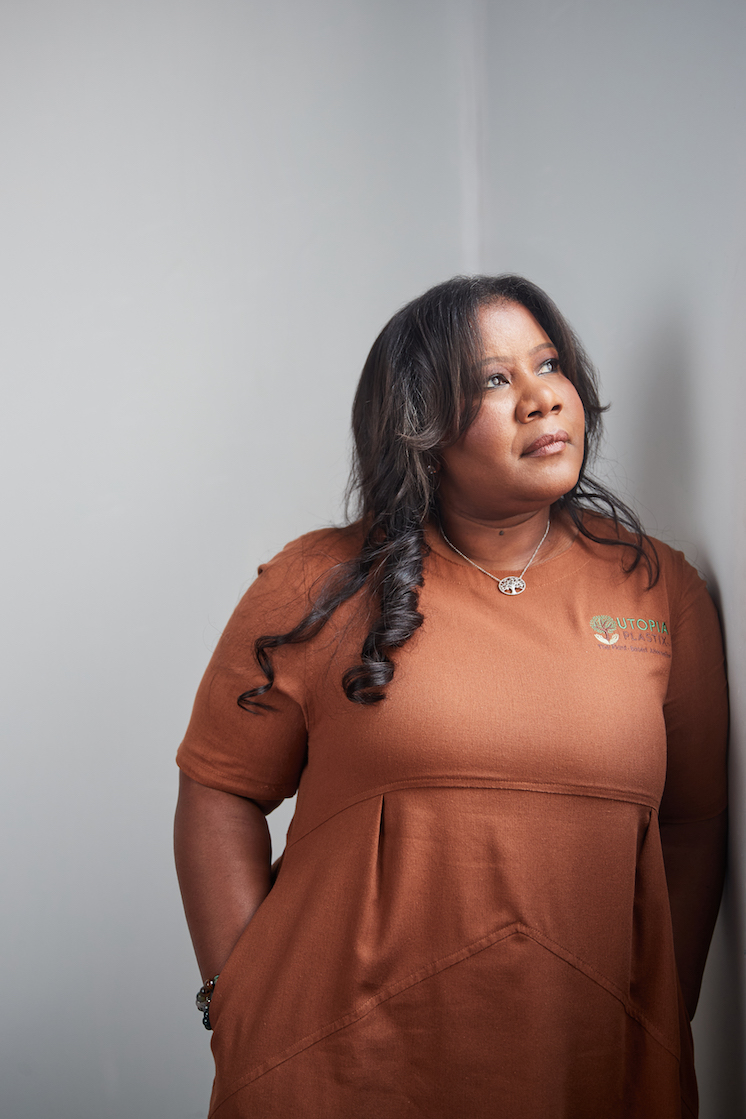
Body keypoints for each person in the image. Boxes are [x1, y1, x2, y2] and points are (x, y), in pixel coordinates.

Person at [174, 275, 727, 1119]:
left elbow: (693, 821)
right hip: (330, 1072)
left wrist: (660, 1015)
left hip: (586, 1073)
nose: (542, 398)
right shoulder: (317, 581)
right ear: (420, 429)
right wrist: (236, 996)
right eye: (495, 381)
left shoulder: (659, 591)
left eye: (549, 365)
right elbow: (219, 786)